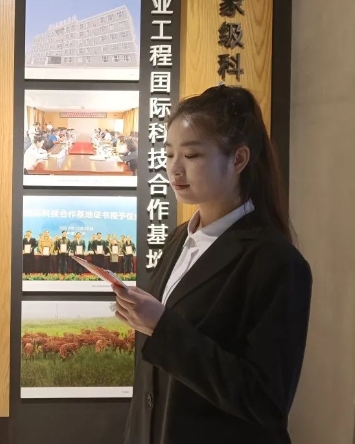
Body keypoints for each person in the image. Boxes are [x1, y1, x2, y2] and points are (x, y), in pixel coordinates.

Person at [117, 85, 312, 444]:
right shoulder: (180, 238)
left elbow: (266, 400)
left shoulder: (275, 261)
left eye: (191, 155)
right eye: (169, 153)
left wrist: (162, 327)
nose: (174, 168)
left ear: (238, 160)